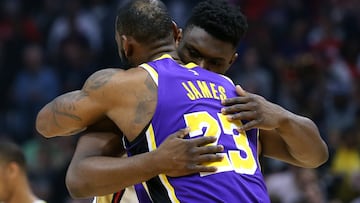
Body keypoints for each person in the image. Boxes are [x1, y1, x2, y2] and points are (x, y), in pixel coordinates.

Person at [36, 0, 328, 202]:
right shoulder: (228, 92)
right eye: (193, 52)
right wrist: (157, 160)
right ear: (177, 35)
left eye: (214, 62)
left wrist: (282, 116)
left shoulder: (239, 103)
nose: (200, 67)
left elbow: (314, 156)